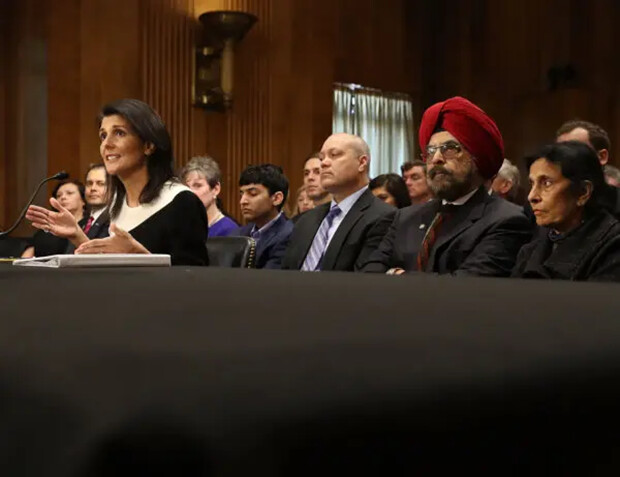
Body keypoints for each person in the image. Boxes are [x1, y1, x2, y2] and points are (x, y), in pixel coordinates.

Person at [361, 96, 533, 276]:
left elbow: (463, 289)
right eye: (430, 151)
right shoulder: (405, 218)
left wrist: (398, 276)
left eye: (450, 149)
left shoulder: (506, 220)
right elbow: (370, 274)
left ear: (477, 158)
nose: (436, 159)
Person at [26, 99, 209, 265]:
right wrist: (77, 234)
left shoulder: (182, 202)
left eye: (119, 133)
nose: (107, 144)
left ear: (148, 145)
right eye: (103, 136)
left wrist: (140, 256)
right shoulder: (115, 205)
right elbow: (109, 270)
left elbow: (192, 281)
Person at [282, 133, 395, 272]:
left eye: (334, 155)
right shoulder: (307, 219)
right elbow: (286, 271)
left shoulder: (383, 217)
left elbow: (364, 280)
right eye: (322, 158)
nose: (324, 163)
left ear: (361, 163)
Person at [512, 141, 620, 281]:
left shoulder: (613, 246)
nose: (532, 196)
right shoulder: (530, 251)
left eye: (546, 183)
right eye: (532, 184)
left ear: (583, 192)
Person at [232, 164, 293, 269]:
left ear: (277, 198)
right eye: (242, 194)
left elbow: (266, 281)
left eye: (253, 194)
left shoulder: (289, 235)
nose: (243, 201)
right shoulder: (237, 234)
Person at [556, 119, 620, 217]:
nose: (564, 160)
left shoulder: (616, 205)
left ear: (602, 157)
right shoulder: (547, 204)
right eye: (559, 153)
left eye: (573, 150)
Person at [22, 179, 87, 258]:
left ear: (83, 200)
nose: (63, 197)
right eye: (58, 195)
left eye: (69, 193)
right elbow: (28, 254)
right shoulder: (46, 228)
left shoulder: (91, 225)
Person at [179, 155, 238, 237]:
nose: (190, 192)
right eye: (187, 186)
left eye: (198, 185)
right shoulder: (181, 227)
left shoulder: (229, 230)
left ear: (216, 189)